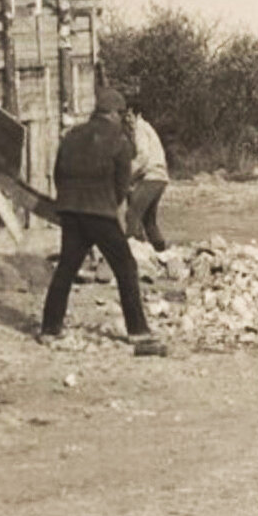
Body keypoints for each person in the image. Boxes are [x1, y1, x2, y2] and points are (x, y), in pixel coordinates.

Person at [39, 88, 165, 356]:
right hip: (99, 212)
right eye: (121, 114)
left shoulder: (71, 136)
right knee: (126, 266)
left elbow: (58, 173)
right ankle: (138, 331)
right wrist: (108, 204)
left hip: (70, 210)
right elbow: (122, 185)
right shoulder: (119, 140)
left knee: (66, 267)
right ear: (115, 113)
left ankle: (50, 328)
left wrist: (68, 201)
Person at [124, 105, 170, 252]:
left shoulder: (140, 128)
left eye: (130, 115)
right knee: (149, 220)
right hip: (160, 178)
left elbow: (143, 156)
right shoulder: (145, 128)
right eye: (126, 116)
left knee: (132, 214)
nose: (127, 119)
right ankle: (161, 251)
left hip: (152, 177)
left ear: (138, 115)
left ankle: (135, 252)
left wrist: (128, 176)